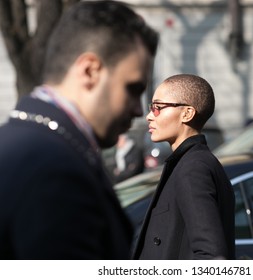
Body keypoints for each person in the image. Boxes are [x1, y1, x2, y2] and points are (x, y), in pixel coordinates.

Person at [0, 1, 158, 259]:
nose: (139, 110)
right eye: (133, 89)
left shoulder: (22, 143)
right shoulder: (53, 167)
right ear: (89, 71)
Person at [132, 74, 236, 260]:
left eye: (158, 108)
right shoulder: (188, 162)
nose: (149, 116)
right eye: (151, 108)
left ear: (187, 113)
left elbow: (211, 256)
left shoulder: (194, 167)